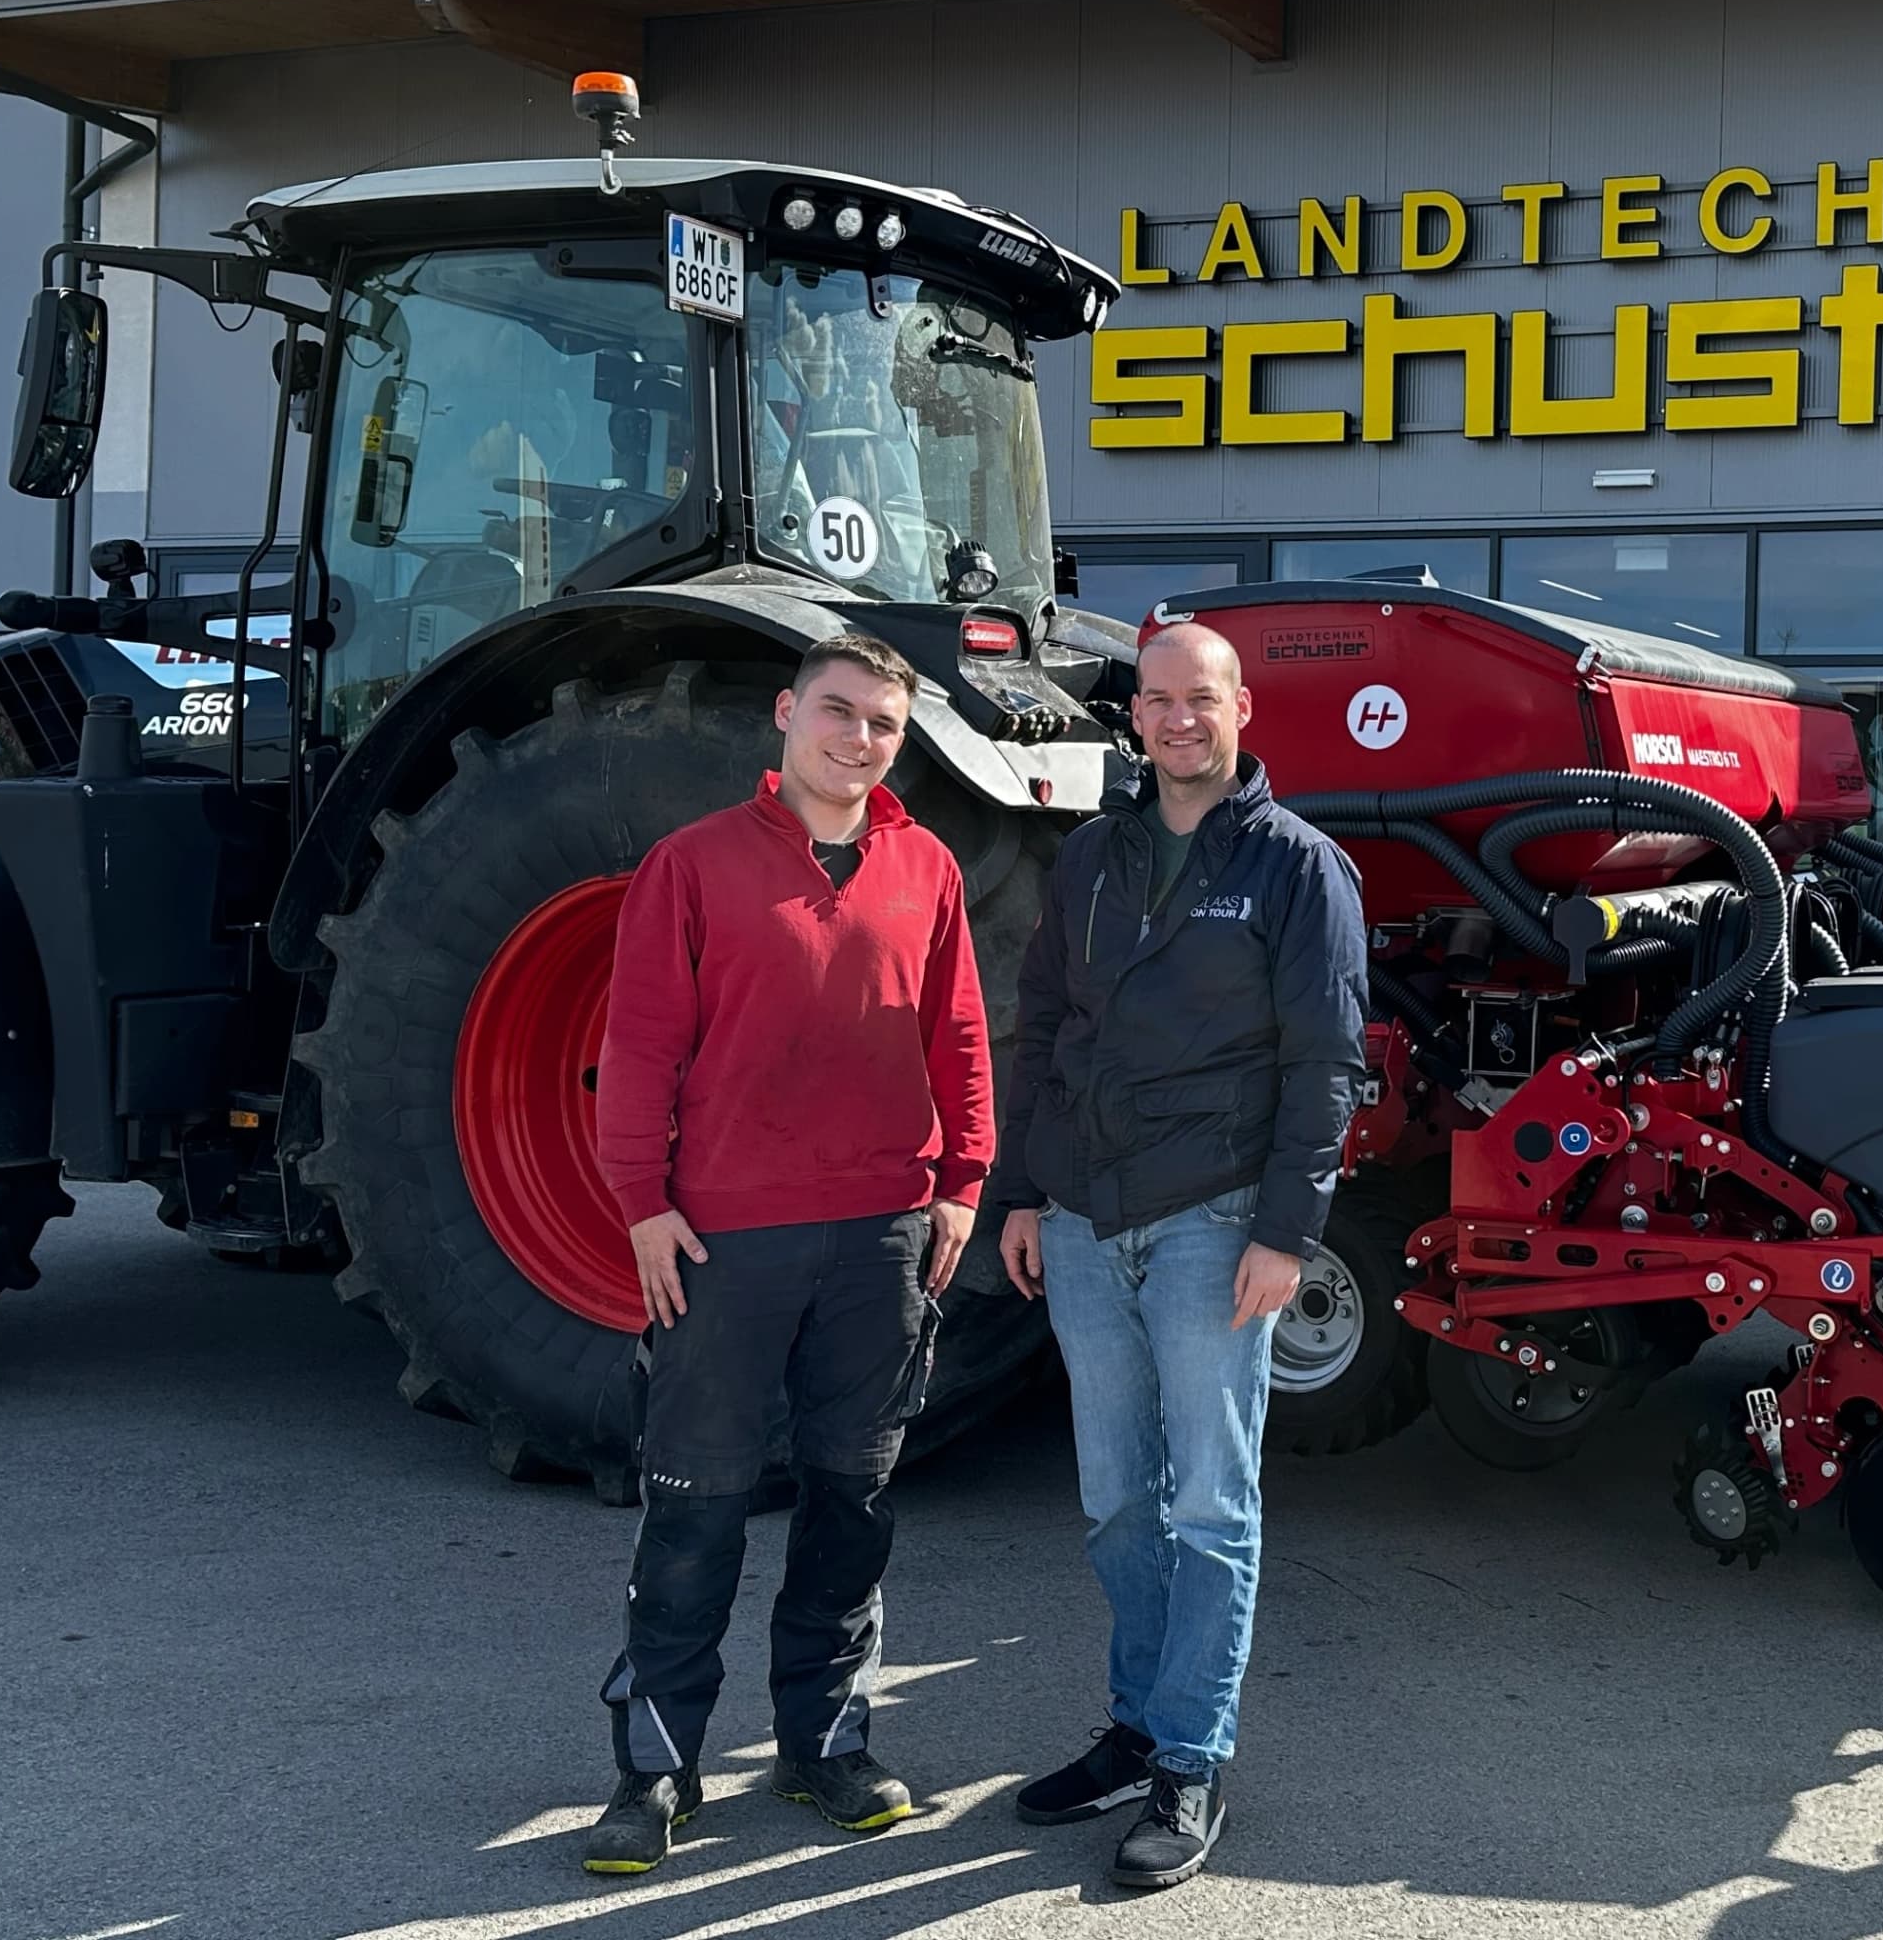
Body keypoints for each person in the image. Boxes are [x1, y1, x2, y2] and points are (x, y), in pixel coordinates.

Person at [573, 633, 993, 1879]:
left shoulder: (928, 866)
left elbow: (961, 1033)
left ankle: (826, 1745)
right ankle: (655, 1770)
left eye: (880, 723)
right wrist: (642, 1204)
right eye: (837, 711)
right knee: (695, 1506)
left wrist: (962, 1183)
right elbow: (639, 1046)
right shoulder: (691, 866)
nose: (857, 738)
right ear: (785, 714)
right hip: (725, 1238)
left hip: (881, 1234)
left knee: (850, 1501)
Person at [986, 621, 1367, 1889]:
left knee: (1211, 1503)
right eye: (1154, 701)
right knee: (1114, 1501)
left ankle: (1192, 1759)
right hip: (1089, 1220)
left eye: (1198, 699)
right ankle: (1139, 1721)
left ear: (1242, 708)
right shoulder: (1091, 856)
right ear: (1134, 717)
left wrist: (1286, 1235)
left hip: (1215, 1222)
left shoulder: (1298, 871)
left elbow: (1326, 1066)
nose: (1175, 720)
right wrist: (1026, 1193)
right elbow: (1042, 1023)